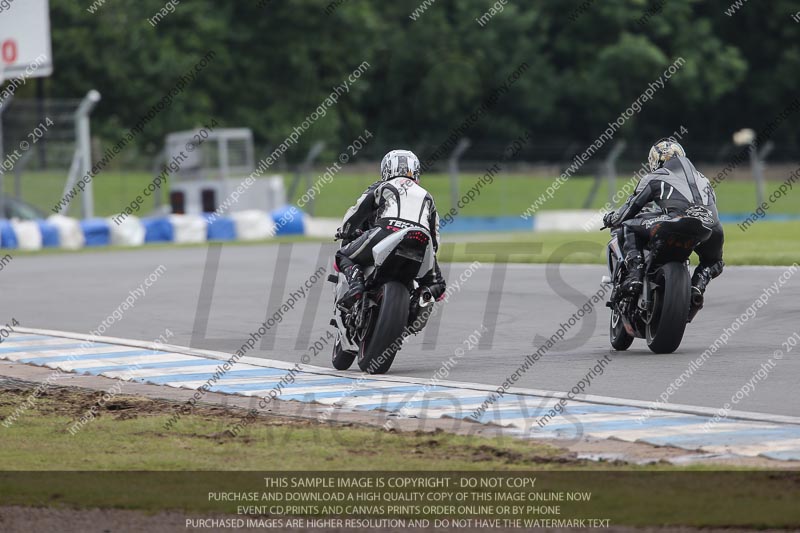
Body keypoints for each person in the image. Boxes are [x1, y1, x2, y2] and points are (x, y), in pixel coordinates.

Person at [603, 138, 724, 305]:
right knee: (714, 261)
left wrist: (611, 218)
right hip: (711, 228)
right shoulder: (704, 180)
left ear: (655, 161)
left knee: (628, 226)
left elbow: (628, 211)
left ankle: (635, 275)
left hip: (675, 221)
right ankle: (697, 287)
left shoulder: (654, 177)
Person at [335, 149, 446, 305]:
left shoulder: (384, 186)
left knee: (342, 256)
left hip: (388, 230)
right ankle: (420, 299)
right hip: (421, 239)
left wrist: (344, 231)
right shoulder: (427, 196)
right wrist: (431, 253)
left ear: (386, 169)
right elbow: (434, 236)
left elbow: (358, 211)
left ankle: (356, 287)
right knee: (438, 285)